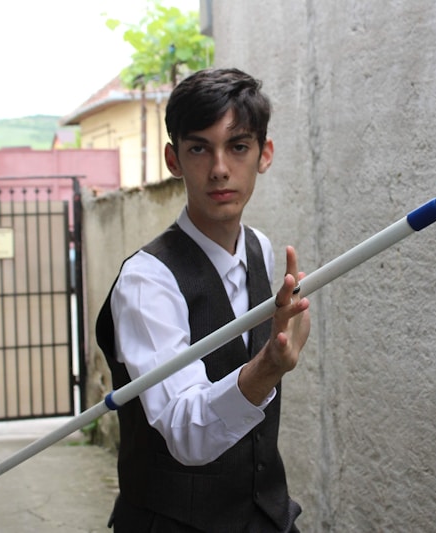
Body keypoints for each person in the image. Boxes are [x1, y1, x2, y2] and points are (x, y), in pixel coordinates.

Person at [96, 67, 311, 533]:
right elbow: (186, 433)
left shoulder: (259, 248)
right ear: (173, 159)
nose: (219, 168)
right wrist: (268, 368)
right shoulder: (146, 283)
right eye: (199, 148)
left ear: (264, 154)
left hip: (267, 515)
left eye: (238, 146)